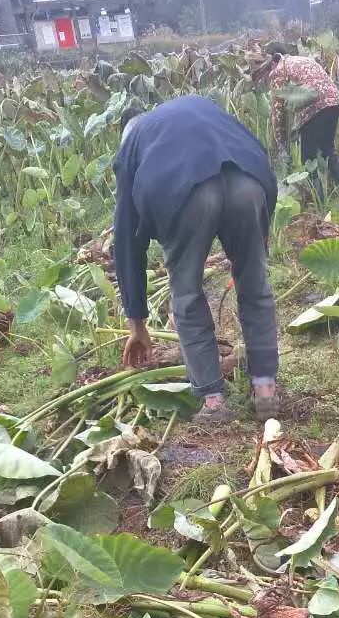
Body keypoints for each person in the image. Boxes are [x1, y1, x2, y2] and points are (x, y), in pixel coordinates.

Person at [113, 95, 280, 423]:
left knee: (187, 293)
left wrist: (137, 324)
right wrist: (261, 233)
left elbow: (126, 243)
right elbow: (253, 148)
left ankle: (214, 402)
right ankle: (265, 391)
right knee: (254, 283)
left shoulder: (132, 143)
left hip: (188, 195)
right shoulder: (193, 107)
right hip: (247, 180)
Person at [262, 48, 339, 201]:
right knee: (328, 152)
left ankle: (319, 204)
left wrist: (282, 145)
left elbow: (278, 112)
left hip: (315, 108)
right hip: (335, 103)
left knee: (309, 161)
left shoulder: (278, 70)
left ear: (272, 63)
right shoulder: (302, 59)